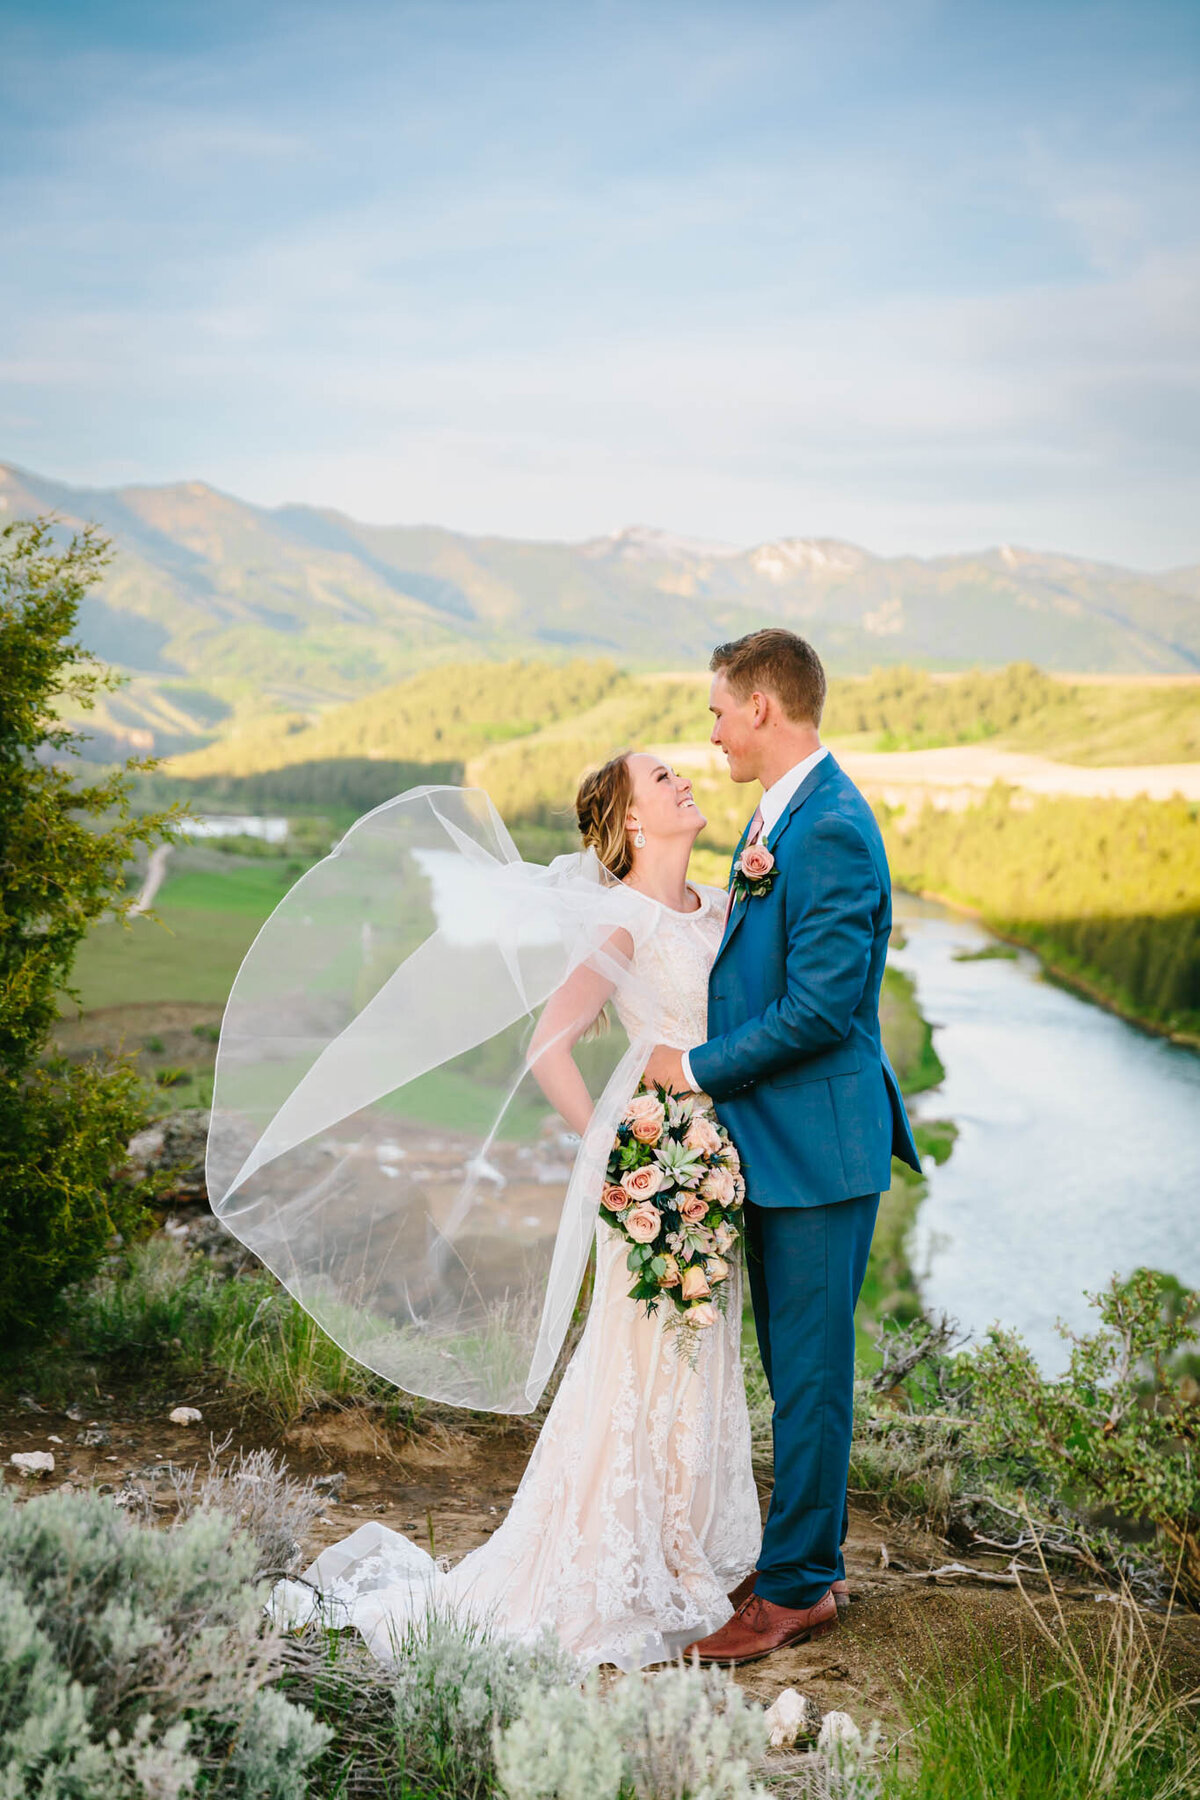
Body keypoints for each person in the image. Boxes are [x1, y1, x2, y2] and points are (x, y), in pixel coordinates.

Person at [265, 752, 760, 1672]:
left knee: (701, 1358)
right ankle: (619, 1561)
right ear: (631, 821)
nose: (684, 781)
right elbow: (550, 1048)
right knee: (640, 1365)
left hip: (720, 1172)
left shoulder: (725, 908)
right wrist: (620, 1157)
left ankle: (689, 1542)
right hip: (657, 1174)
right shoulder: (624, 924)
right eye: (660, 779)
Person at [643, 628, 921, 1665]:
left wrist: (695, 1069)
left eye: (718, 710)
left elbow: (819, 1009)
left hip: (820, 1148)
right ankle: (810, 1552)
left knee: (808, 1377)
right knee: (791, 1365)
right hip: (783, 1142)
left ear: (764, 707)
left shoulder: (832, 827)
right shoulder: (781, 815)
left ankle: (799, 1591)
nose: (710, 730)